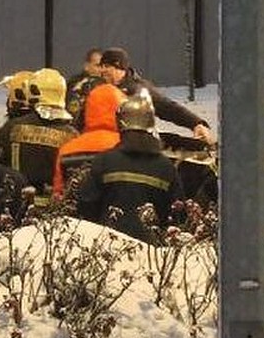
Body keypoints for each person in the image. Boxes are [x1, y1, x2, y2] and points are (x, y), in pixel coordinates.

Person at [75, 95, 186, 242]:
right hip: (151, 253)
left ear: (120, 123)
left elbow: (86, 205)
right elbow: (179, 214)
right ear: (150, 125)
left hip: (108, 247)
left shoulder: (104, 161)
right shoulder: (166, 167)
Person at [98, 47, 216, 145]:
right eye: (101, 66)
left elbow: (167, 108)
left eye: (107, 66)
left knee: (181, 144)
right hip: (104, 140)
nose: (102, 70)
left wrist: (196, 123)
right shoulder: (96, 88)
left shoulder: (139, 89)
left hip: (133, 143)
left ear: (119, 67)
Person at [0, 67, 78, 206]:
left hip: (17, 208)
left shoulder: (12, 128)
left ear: (33, 91)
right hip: (57, 215)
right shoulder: (73, 135)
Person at [52, 82, 127, 200]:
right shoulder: (126, 147)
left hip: (75, 216)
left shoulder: (67, 150)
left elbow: (58, 195)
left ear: (87, 110)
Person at [66, 48, 105, 128]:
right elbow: (72, 114)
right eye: (98, 66)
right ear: (86, 66)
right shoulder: (75, 86)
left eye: (104, 66)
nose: (102, 70)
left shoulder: (110, 87)